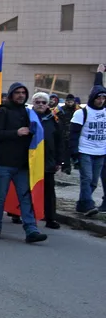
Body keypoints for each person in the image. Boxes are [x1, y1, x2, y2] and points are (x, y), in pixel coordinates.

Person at [0, 83, 46, 243]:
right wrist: (16, 133)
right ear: (11, 94)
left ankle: (31, 230)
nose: (21, 95)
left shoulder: (28, 113)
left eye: (23, 93)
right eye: (17, 93)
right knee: (0, 197)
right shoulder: (2, 111)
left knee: (26, 197)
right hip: (3, 162)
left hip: (22, 164)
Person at [69, 80, 106, 216]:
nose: (101, 100)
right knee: (87, 178)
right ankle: (88, 205)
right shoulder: (81, 113)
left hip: (101, 151)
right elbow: (73, 134)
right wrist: (74, 153)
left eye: (103, 98)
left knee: (94, 182)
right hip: (85, 151)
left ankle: (82, 204)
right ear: (93, 98)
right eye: (98, 97)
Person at [31, 92, 63, 229]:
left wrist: (59, 161)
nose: (40, 105)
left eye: (43, 102)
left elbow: (60, 141)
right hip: (30, 160)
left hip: (48, 160)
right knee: (27, 189)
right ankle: (19, 214)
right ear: (33, 103)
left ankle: (50, 218)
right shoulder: (27, 117)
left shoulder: (53, 119)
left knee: (49, 190)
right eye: (37, 102)